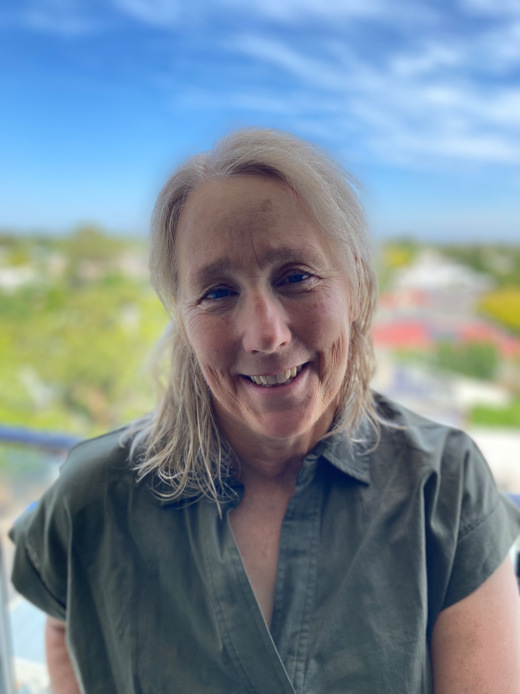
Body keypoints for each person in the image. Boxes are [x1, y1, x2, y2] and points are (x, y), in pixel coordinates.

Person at [10, 128, 520, 694]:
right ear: (181, 318)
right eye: (217, 292)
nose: (266, 334)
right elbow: (62, 622)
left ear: (354, 286)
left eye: (296, 276)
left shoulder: (445, 488)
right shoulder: (92, 496)